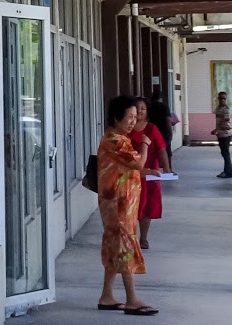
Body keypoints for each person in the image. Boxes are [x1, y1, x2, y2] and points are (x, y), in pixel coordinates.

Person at [97, 94, 160, 316]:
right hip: (118, 204)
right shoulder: (115, 140)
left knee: (115, 246)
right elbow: (137, 162)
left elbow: (129, 168)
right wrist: (145, 145)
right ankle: (132, 299)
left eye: (135, 117)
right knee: (124, 248)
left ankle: (107, 295)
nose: (134, 121)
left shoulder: (118, 139)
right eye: (129, 117)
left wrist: (148, 171)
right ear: (117, 117)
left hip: (122, 204)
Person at [133, 97, 171, 249]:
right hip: (132, 174)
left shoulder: (151, 129)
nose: (140, 111)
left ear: (147, 111)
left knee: (147, 208)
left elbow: (161, 149)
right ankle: (131, 238)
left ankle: (143, 238)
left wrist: (166, 167)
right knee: (131, 207)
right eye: (137, 108)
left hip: (150, 175)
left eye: (143, 108)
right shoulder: (126, 128)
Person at [213, 91, 232, 178]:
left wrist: (216, 129)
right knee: (224, 153)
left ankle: (228, 172)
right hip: (221, 134)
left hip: (226, 133)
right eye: (221, 98)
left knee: (226, 153)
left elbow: (225, 122)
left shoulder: (227, 109)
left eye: (224, 98)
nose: (222, 100)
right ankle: (226, 171)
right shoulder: (218, 108)